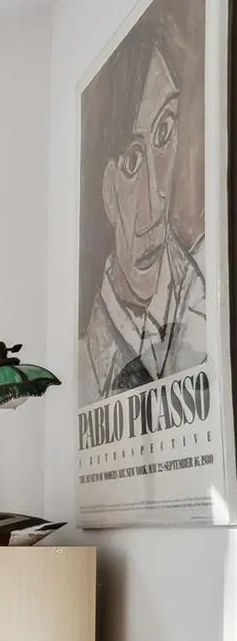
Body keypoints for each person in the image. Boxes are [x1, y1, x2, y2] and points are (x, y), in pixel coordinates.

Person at [82, 42, 210, 399]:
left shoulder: (207, 284)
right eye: (132, 161)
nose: (156, 198)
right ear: (106, 190)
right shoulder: (85, 362)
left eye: (164, 133)